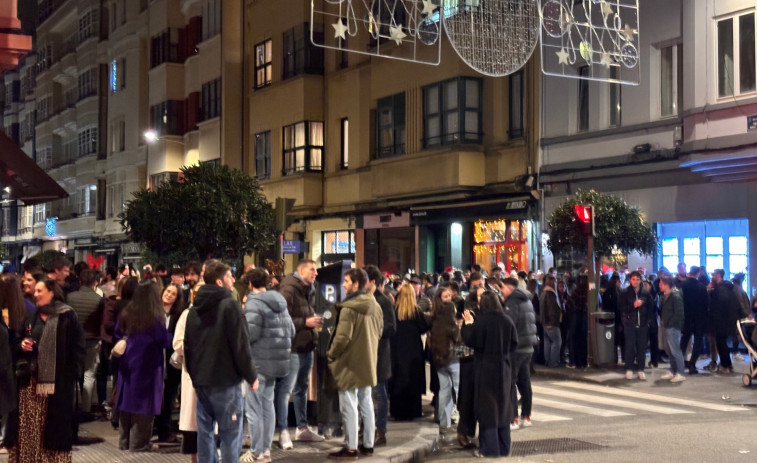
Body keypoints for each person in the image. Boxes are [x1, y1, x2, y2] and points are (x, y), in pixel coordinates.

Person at [184, 260, 258, 463]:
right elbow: (240, 345)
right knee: (230, 435)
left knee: (205, 432)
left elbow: (188, 345)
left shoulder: (194, 308)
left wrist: (194, 375)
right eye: (229, 276)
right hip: (225, 382)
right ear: (219, 281)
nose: (233, 279)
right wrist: (251, 374)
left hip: (202, 382)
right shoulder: (229, 306)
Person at [8, 277, 85, 462]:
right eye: (35, 291)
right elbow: (16, 340)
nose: (35, 294)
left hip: (57, 387)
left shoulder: (67, 315)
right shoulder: (31, 315)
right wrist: (21, 345)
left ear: (52, 292)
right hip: (30, 385)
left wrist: (69, 376)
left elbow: (78, 349)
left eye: (39, 291)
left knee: (54, 430)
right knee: (29, 429)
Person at [327, 269, 383, 461]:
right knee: (366, 402)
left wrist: (331, 354)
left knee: (349, 405)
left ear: (356, 284)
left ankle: (351, 448)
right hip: (368, 361)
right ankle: (368, 445)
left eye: (346, 281)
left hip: (349, 363)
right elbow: (380, 331)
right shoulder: (375, 305)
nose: (343, 284)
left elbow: (342, 338)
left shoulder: (349, 308)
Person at [241, 269, 295, 463]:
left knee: (254, 409)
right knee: (267, 406)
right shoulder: (280, 302)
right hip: (277, 362)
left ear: (249, 284)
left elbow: (250, 335)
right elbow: (292, 330)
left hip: (258, 363)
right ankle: (265, 450)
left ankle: (256, 451)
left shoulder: (253, 303)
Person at [115, 280, 172, 452]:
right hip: (148, 367)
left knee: (126, 403)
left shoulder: (127, 312)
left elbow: (117, 333)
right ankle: (139, 444)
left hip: (127, 363)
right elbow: (165, 341)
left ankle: (124, 442)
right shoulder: (154, 317)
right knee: (144, 405)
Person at [461, 291, 518, 458]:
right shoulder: (507, 320)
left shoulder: (482, 322)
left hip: (485, 369)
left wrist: (469, 324)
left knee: (487, 409)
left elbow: (471, 342)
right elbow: (514, 343)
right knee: (503, 406)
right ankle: (504, 446)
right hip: (504, 368)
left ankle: (489, 448)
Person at [275, 259, 324, 449]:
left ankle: (302, 428)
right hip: (293, 347)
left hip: (306, 345)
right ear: (301, 271)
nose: (316, 273)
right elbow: (281, 319)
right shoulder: (288, 289)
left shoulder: (309, 288)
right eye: (312, 270)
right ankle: (283, 431)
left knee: (301, 388)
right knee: (286, 389)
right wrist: (306, 322)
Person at [499, 277, 537, 430]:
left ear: (509, 288)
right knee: (525, 381)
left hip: (516, 347)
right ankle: (526, 416)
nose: (501, 291)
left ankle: (512, 418)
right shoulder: (526, 299)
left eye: (502, 288)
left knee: (511, 382)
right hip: (528, 346)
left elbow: (509, 324)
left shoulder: (512, 302)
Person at [364, 265, 396, 447]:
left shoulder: (383, 301)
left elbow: (392, 327)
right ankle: (366, 427)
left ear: (373, 282)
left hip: (379, 353)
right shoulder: (363, 298)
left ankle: (380, 430)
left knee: (380, 393)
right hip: (366, 353)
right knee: (366, 393)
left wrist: (373, 331)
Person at [65, 268, 104, 415]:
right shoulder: (99, 300)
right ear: (95, 282)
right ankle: (86, 408)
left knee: (73, 374)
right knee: (89, 375)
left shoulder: (70, 298)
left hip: (73, 342)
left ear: (80, 281)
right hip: (92, 341)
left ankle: (71, 407)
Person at [389, 284, 428, 421]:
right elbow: (424, 328)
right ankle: (414, 410)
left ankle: (397, 411)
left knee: (398, 378)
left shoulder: (394, 311)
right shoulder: (416, 312)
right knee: (413, 379)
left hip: (397, 350)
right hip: (414, 351)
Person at [0, 274, 26, 454]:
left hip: (8, 364)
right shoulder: (27, 309)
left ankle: (6, 439)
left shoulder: (22, 310)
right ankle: (6, 439)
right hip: (12, 364)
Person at [155, 283, 184, 443]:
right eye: (168, 291)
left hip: (171, 362)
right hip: (155, 359)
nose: (169, 295)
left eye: (173, 294)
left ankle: (164, 431)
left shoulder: (178, 315)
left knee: (168, 397)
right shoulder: (154, 310)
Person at [428, 301, 460, 443]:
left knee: (444, 391)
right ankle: (462, 419)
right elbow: (459, 342)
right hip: (453, 361)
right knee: (459, 390)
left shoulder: (435, 326)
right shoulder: (452, 326)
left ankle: (443, 422)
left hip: (439, 362)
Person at [172, 296, 199, 463]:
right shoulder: (187, 315)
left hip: (214, 377)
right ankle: (195, 459)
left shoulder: (221, 312)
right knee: (193, 423)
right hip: (193, 373)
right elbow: (177, 343)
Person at [620, 271, 654, 380]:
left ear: (641, 280)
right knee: (629, 347)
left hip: (642, 324)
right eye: (633, 279)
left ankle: (640, 369)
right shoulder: (625, 292)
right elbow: (621, 308)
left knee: (641, 348)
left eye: (638, 279)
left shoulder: (645, 292)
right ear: (630, 280)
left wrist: (648, 321)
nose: (635, 282)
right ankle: (629, 368)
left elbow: (650, 307)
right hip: (630, 324)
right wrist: (632, 305)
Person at [709, 269, 740, 374]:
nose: (712, 276)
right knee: (722, 343)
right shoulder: (728, 288)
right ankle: (727, 364)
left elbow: (719, 306)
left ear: (718, 275)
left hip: (721, 321)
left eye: (713, 275)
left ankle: (726, 365)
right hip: (727, 321)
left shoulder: (721, 289)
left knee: (721, 343)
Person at [680, 266, 708, 374]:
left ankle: (679, 363)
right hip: (699, 318)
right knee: (697, 342)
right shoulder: (702, 287)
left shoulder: (682, 286)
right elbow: (706, 304)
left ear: (689, 273)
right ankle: (692, 365)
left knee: (684, 341)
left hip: (686, 317)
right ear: (697, 274)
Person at [658, 276, 686, 383]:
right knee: (669, 349)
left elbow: (679, 313)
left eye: (661, 283)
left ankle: (680, 372)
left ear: (666, 284)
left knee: (675, 350)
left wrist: (669, 323)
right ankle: (673, 370)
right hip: (667, 325)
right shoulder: (665, 295)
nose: (659, 285)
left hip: (673, 327)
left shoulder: (675, 296)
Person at [566, 275, 589, 369]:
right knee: (583, 341)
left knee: (576, 341)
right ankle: (583, 361)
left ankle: (577, 362)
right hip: (584, 319)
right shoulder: (588, 292)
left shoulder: (576, 292)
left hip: (576, 319)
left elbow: (569, 303)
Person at [540, 275, 562, 368]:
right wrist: (551, 322)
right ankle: (553, 362)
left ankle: (548, 361)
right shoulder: (550, 294)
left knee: (548, 342)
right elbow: (552, 309)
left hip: (545, 322)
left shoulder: (544, 293)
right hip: (551, 323)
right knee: (557, 341)